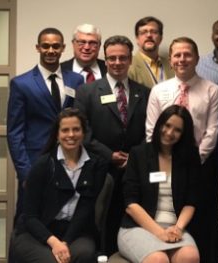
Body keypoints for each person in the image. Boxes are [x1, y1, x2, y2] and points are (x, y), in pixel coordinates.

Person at [145, 37, 218, 263]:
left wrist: (193, 161)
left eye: (187, 54)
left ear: (197, 58)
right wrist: (162, 159)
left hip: (199, 164)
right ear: (171, 59)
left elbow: (212, 129)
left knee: (199, 220)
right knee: (164, 211)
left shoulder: (212, 89)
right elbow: (151, 129)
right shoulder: (159, 90)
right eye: (177, 55)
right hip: (162, 164)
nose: (182, 59)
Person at [74, 35, 150, 254]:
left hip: (134, 169)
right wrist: (109, 155)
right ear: (105, 60)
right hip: (99, 167)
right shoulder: (86, 92)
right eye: (112, 58)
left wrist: (133, 157)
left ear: (129, 61)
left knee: (130, 219)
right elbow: (82, 131)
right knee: (99, 219)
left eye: (123, 58)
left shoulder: (143, 92)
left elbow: (150, 129)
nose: (117, 63)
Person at [10, 108, 109, 263]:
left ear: (83, 133)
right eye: (65, 130)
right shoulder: (42, 165)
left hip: (76, 232)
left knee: (83, 254)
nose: (71, 135)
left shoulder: (97, 165)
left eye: (76, 129)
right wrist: (54, 242)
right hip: (37, 232)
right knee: (51, 260)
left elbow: (85, 208)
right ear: (57, 134)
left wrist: (64, 243)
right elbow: (30, 216)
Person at [7, 27, 85, 215]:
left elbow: (81, 121)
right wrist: (25, 172)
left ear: (63, 48)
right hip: (35, 162)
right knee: (28, 215)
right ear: (38, 48)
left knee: (63, 213)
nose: (51, 51)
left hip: (70, 160)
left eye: (56, 46)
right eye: (46, 46)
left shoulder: (76, 80)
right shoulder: (21, 83)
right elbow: (14, 133)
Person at [118, 105, 201, 263]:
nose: (169, 132)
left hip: (175, 227)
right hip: (139, 227)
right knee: (158, 260)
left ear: (184, 134)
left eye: (177, 130)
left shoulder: (190, 157)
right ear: (159, 124)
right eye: (167, 125)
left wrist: (177, 229)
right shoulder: (138, 154)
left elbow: (191, 202)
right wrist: (159, 232)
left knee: (190, 257)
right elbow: (131, 204)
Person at [129, 16, 174, 89]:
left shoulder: (172, 65)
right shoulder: (128, 66)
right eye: (143, 32)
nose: (149, 35)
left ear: (161, 38)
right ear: (137, 39)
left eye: (154, 32)